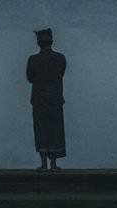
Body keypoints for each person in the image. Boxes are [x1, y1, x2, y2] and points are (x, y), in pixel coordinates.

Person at [26, 27, 66, 171]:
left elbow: (30, 78)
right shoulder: (61, 58)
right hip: (55, 98)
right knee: (55, 129)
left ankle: (43, 163)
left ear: (38, 43)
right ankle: (54, 164)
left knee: (41, 129)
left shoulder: (33, 59)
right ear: (52, 41)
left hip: (39, 99)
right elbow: (61, 74)